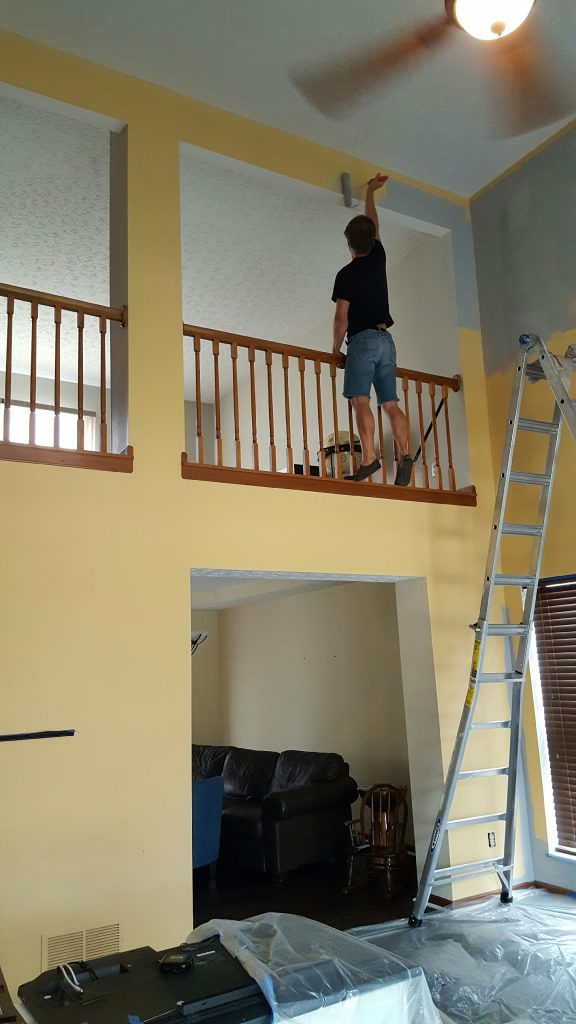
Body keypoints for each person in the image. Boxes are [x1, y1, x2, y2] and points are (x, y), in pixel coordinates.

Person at [331, 174, 413, 485]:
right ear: (371, 239)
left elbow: (341, 317)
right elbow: (373, 222)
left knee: (359, 399)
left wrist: (335, 350)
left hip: (362, 341)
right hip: (386, 341)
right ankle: (405, 453)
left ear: (349, 244)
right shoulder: (378, 256)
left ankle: (369, 458)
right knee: (390, 404)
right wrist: (370, 193)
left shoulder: (346, 274)